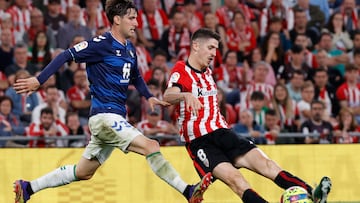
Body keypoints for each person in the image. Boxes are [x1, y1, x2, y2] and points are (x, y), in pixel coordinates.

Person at [12, 1, 211, 203]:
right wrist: (38, 80)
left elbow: (136, 76)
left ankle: (28, 187)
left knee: (83, 172)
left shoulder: (130, 49)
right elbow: (65, 55)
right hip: (104, 116)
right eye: (131, 18)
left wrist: (148, 96)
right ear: (117, 19)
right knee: (151, 146)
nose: (136, 22)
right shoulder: (101, 44)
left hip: (112, 118)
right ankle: (187, 191)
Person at [163, 28, 331, 203]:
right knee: (236, 181)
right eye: (211, 48)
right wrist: (185, 95)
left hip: (224, 133)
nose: (214, 53)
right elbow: (167, 95)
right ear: (196, 46)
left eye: (216, 49)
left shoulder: (207, 72)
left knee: (267, 165)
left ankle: (314, 194)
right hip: (201, 142)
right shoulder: (182, 69)